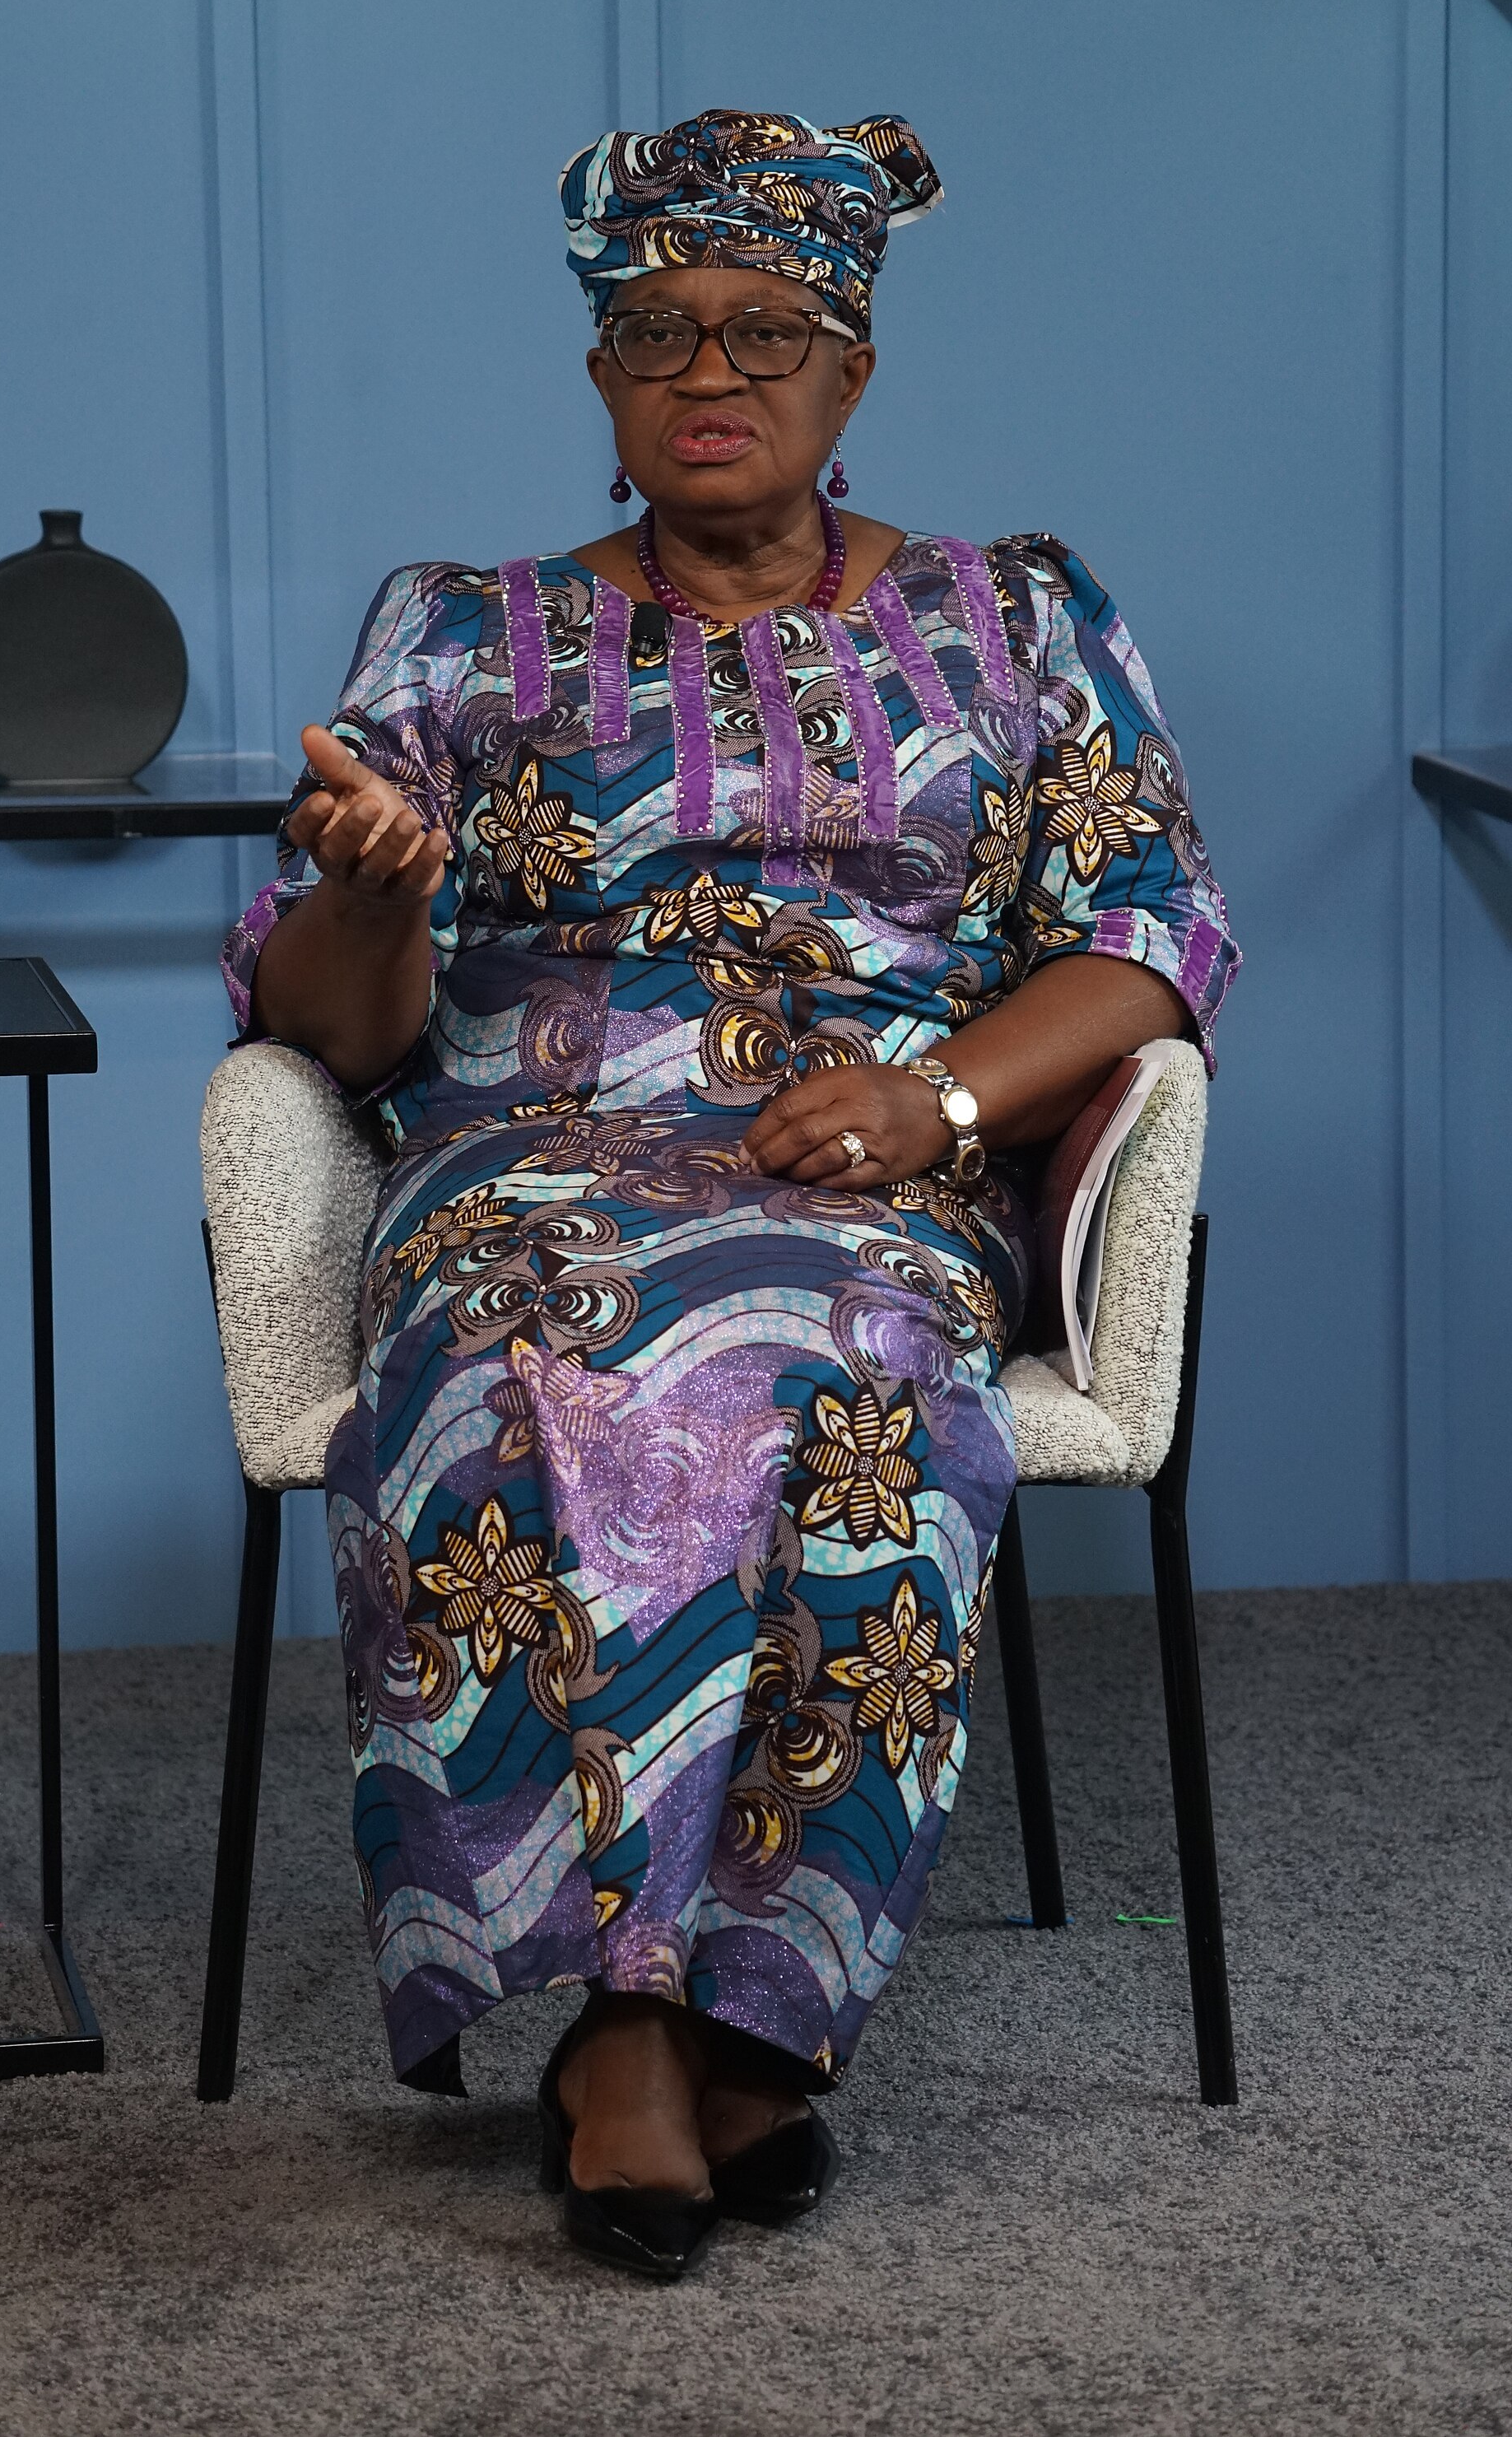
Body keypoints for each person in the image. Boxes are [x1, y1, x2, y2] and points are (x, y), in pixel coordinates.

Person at [221, 110, 1238, 2279]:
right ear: (599, 379)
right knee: (518, 1358)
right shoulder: (457, 635)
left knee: (846, 1358)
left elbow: (1153, 932)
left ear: (853, 370)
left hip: (857, 1161)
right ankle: (632, 2020)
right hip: (520, 1156)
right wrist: (371, 893)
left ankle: (736, 2005)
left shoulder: (1018, 618)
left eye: (767, 327)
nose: (713, 364)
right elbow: (335, 1024)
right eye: (658, 326)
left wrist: (938, 1100)